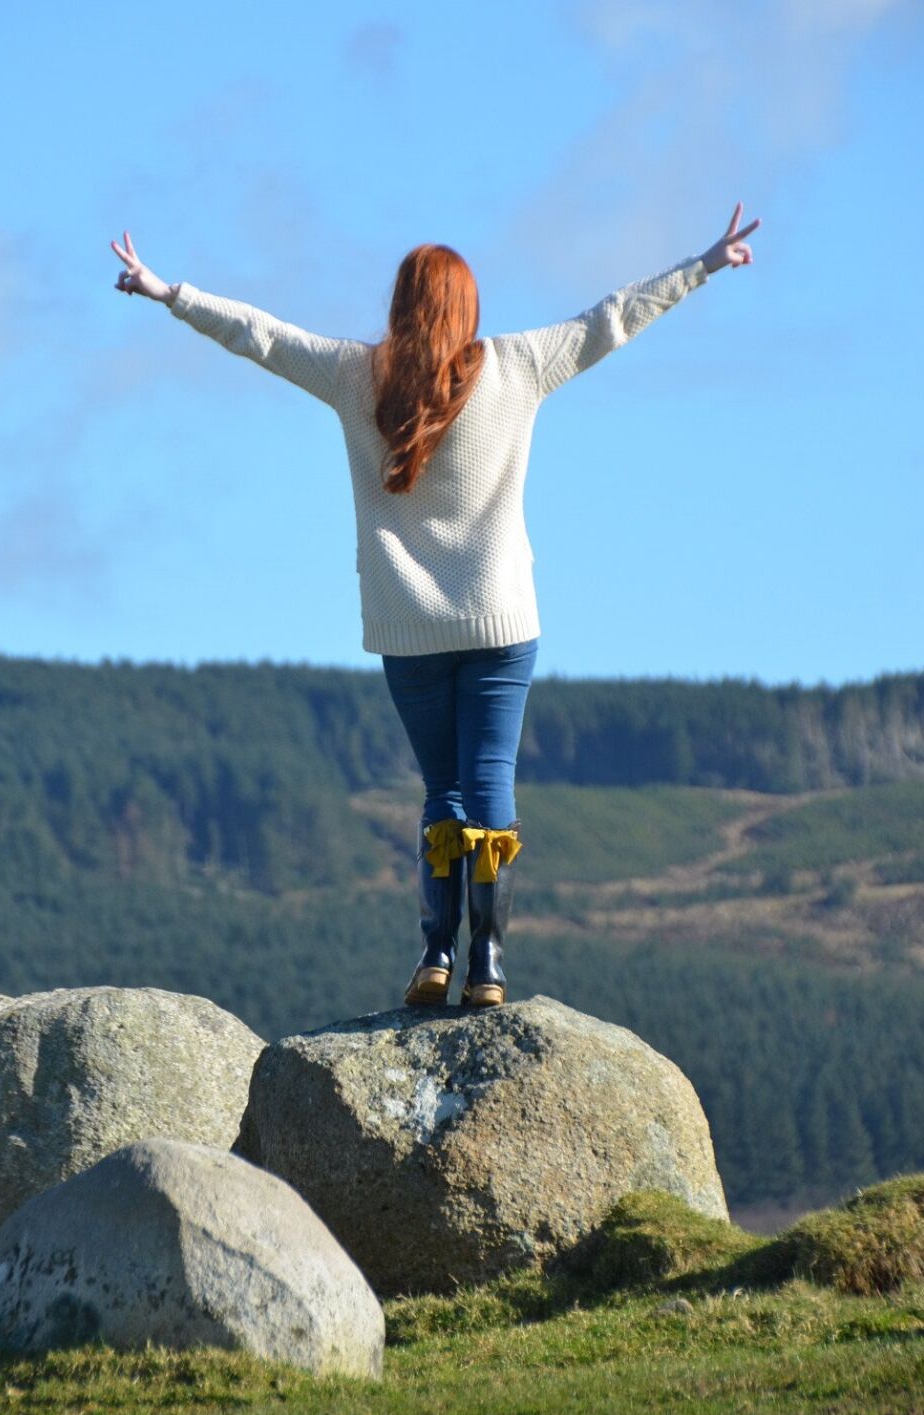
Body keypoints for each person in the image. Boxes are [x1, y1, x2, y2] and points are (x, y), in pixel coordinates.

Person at [110, 203, 760, 1010]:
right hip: (500, 622)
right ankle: (487, 958)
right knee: (489, 786)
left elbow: (263, 336)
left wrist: (170, 291)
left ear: (401, 305)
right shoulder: (519, 365)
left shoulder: (358, 375)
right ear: (468, 307)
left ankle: (433, 954)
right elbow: (613, 319)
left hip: (408, 628)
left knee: (441, 791)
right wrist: (703, 264)